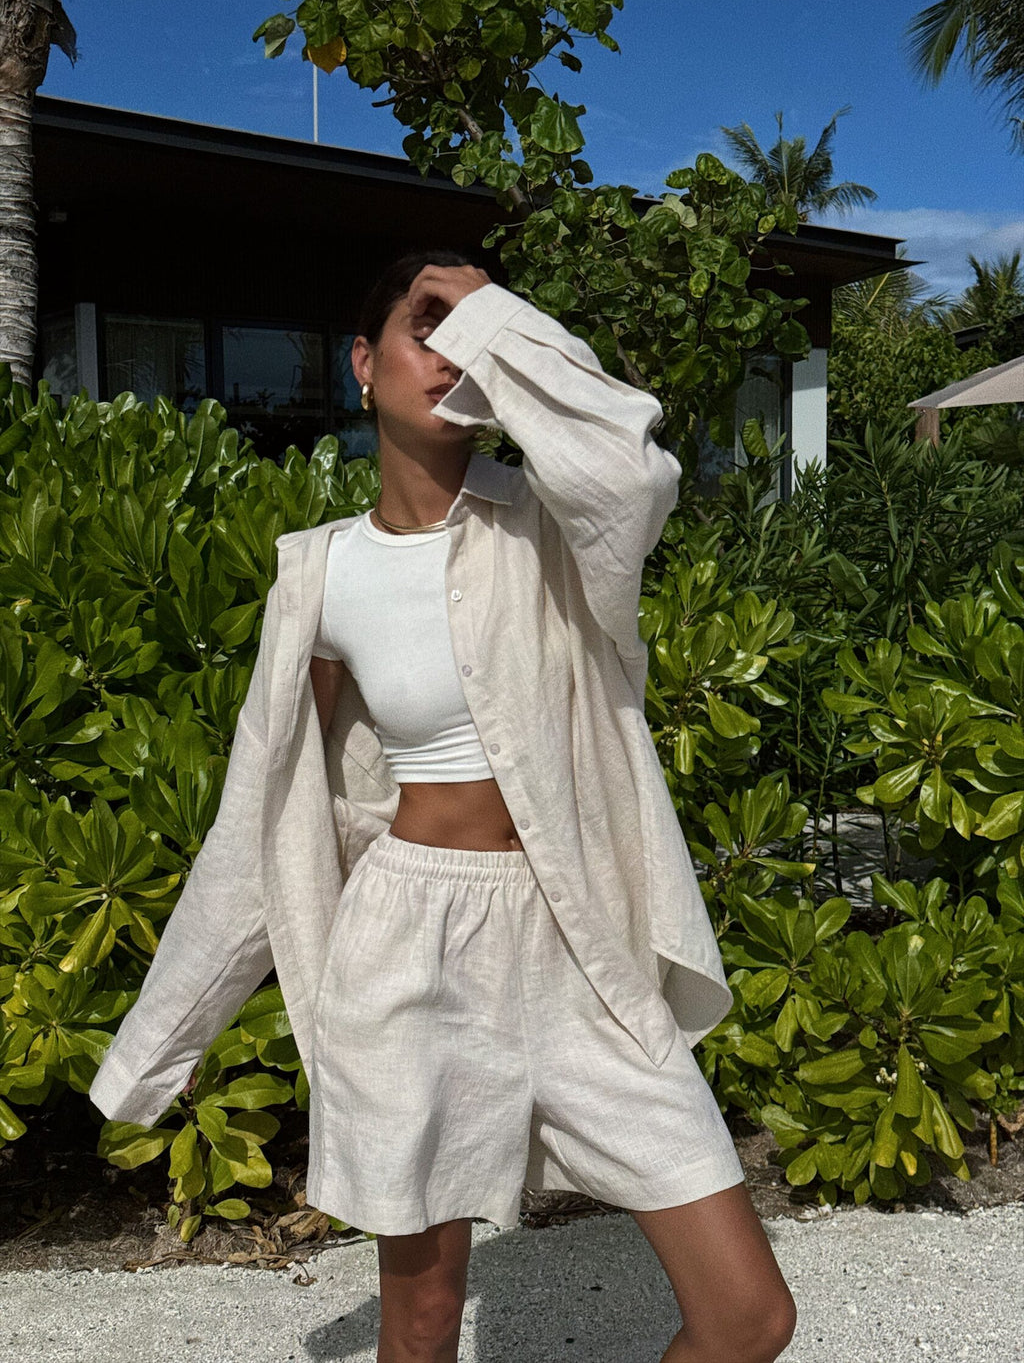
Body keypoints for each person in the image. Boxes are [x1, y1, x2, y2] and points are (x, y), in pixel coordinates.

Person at [91, 251, 797, 1363]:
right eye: (423, 331)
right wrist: (154, 1050)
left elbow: (631, 471)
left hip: (577, 947)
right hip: (407, 946)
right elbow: (261, 825)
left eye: (467, 334)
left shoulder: (558, 527)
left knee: (749, 1317)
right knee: (420, 1325)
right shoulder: (323, 575)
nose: (450, 355)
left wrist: (490, 319)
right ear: (362, 365)